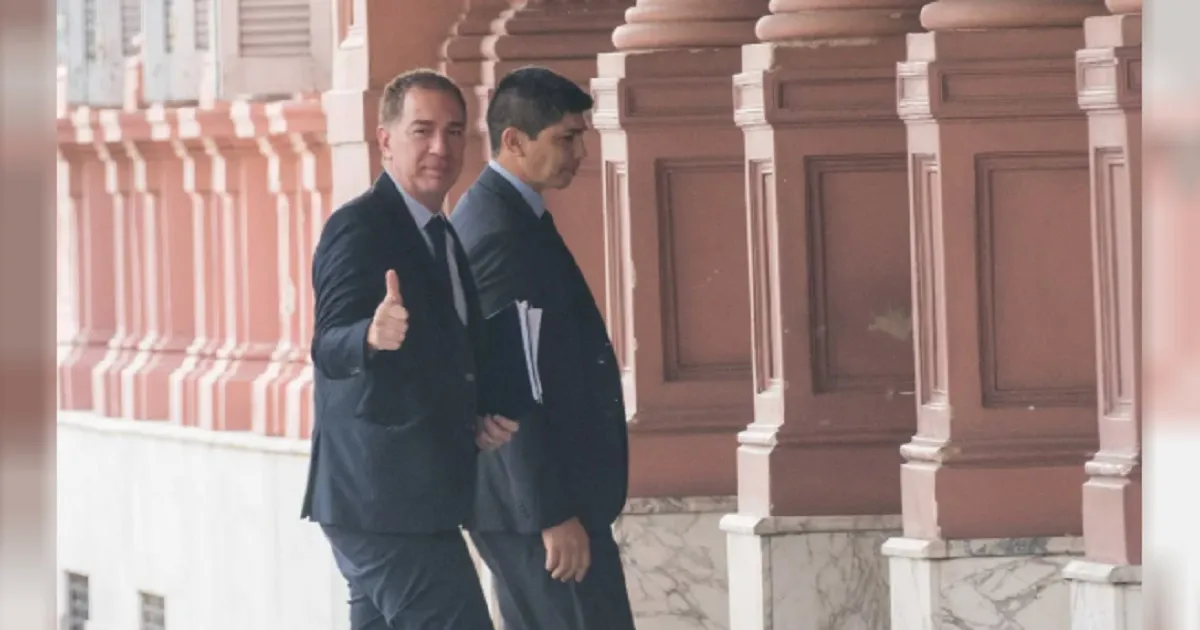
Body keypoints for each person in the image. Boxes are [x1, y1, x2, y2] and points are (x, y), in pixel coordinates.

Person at [301, 68, 519, 630]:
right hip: (385, 504)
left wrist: (478, 414)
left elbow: (443, 356)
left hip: (412, 499)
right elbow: (327, 345)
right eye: (422, 130)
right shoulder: (359, 227)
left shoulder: (441, 233)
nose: (440, 147)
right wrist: (370, 336)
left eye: (454, 131)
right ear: (386, 140)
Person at [451, 66, 635, 630]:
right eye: (566, 138)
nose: (581, 152)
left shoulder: (512, 213)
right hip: (539, 511)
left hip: (541, 504)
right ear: (514, 141)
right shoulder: (498, 230)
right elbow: (507, 386)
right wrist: (551, 513)